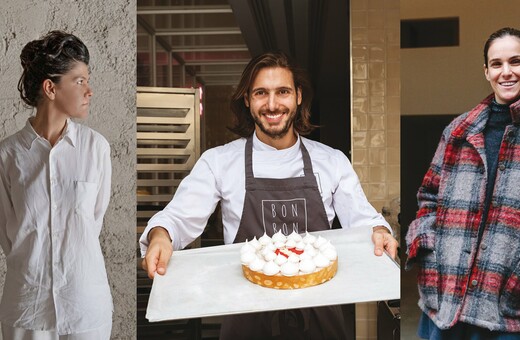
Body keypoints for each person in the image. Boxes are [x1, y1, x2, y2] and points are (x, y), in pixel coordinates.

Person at [140, 51, 398, 339]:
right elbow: (177, 219)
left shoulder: (332, 161)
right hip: (246, 321)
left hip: (321, 323)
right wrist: (161, 235)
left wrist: (378, 231)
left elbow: (364, 222)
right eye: (261, 93)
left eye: (283, 92)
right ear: (248, 99)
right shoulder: (219, 162)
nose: (272, 104)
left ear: (298, 96)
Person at [406, 27, 520, 339]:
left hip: (506, 310)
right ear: (486, 71)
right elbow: (429, 196)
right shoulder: (458, 132)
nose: (506, 72)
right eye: (497, 64)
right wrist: (427, 250)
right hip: (445, 300)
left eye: (516, 61)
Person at [0, 31, 112, 339]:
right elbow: (8, 235)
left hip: (85, 307)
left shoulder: (96, 149)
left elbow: (93, 223)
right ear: (50, 87)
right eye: (79, 81)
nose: (89, 91)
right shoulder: (7, 156)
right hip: (27, 309)